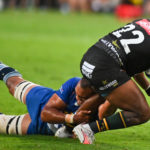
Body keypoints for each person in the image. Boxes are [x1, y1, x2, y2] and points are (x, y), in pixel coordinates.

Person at [73, 18, 150, 144]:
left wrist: (147, 87)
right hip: (106, 68)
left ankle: (67, 127)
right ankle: (87, 129)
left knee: (104, 102)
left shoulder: (144, 21)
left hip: (91, 57)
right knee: (142, 113)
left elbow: (136, 62)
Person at [0, 62, 103, 137]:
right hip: (43, 101)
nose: (77, 98)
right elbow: (45, 114)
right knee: (13, 84)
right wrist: (72, 119)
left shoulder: (102, 104)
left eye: (82, 98)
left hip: (43, 128)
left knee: (3, 125)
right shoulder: (73, 83)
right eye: (76, 94)